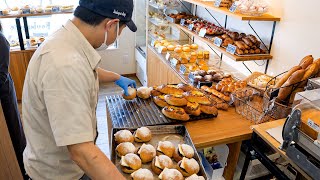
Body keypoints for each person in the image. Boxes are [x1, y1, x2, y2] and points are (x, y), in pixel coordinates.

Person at [22, 0, 137, 179]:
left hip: (66, 164)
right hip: (59, 174)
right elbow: (81, 151)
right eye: (121, 30)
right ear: (111, 24)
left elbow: (84, 69)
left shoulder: (66, 41)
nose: (118, 35)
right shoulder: (65, 65)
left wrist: (116, 77)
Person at [0, 22, 27, 178]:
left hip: (4, 97)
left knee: (14, 134)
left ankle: (23, 171)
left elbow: (1, 76)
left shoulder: (1, 41)